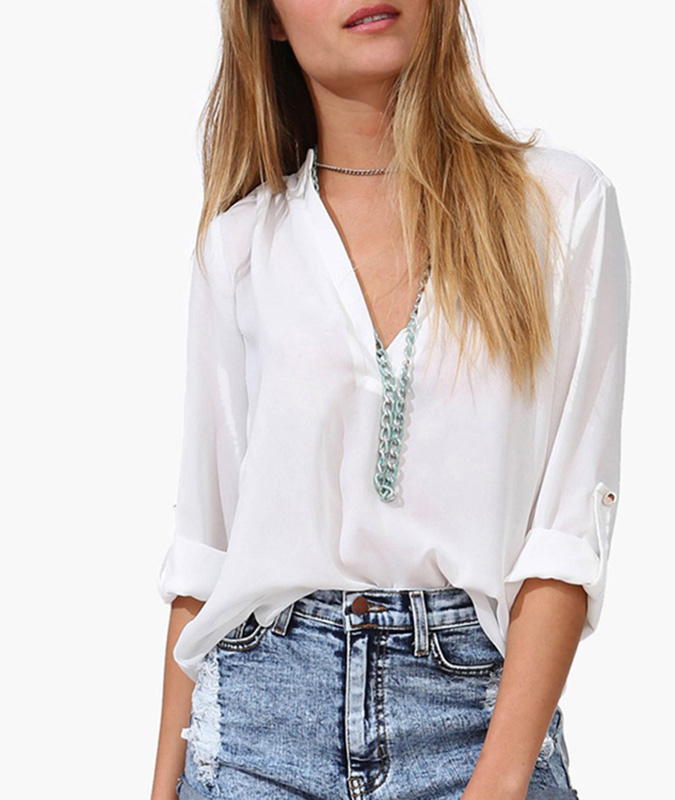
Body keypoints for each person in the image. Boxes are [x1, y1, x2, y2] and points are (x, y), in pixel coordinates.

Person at [151, 1, 631, 799]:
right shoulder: (238, 247)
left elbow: (566, 535)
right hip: (258, 737)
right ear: (269, 21)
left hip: (474, 721)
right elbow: (206, 551)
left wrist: (500, 778)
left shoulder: (558, 208)